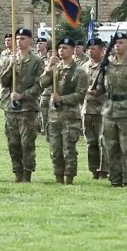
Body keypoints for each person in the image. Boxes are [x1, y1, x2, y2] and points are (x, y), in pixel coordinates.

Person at [93, 33, 127, 187]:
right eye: (115, 43)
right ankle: (115, 178)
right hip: (109, 110)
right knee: (110, 146)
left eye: (121, 43)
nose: (117, 45)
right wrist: (95, 91)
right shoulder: (107, 64)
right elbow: (101, 88)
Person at [41, 37, 88, 185]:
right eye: (59, 48)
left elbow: (80, 94)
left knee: (69, 149)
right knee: (55, 150)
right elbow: (42, 83)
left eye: (65, 48)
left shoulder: (79, 71)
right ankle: (58, 176)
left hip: (70, 116)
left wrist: (62, 99)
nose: (61, 51)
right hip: (53, 116)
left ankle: (69, 177)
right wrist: (49, 68)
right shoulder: (55, 68)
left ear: (73, 50)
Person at [0, 28, 44, 183]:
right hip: (11, 107)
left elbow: (39, 85)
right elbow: (4, 82)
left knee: (27, 142)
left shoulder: (36, 61)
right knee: (13, 142)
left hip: (28, 108)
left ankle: (27, 172)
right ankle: (17, 172)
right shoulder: (10, 59)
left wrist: (22, 95)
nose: (19, 41)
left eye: (23, 39)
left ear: (30, 41)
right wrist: (9, 67)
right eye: (17, 39)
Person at [80, 39, 108, 179]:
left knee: (103, 141)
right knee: (90, 142)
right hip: (87, 109)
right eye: (89, 48)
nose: (91, 51)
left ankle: (104, 170)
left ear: (102, 50)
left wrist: (98, 91)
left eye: (94, 48)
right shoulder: (84, 67)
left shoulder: (107, 66)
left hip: (102, 109)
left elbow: (112, 87)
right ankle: (93, 169)